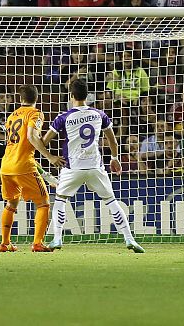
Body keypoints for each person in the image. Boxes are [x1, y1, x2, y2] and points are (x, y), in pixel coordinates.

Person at [42, 79, 144, 252]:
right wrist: (114, 157)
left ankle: (57, 239)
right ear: (87, 95)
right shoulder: (99, 114)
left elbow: (44, 141)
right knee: (112, 202)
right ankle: (130, 239)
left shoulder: (63, 117)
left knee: (60, 200)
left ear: (71, 95)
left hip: (72, 167)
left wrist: (49, 154)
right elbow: (112, 138)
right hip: (95, 166)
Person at [0, 84, 64, 253]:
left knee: (11, 203)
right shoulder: (35, 113)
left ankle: (5, 243)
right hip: (23, 166)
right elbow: (31, 136)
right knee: (43, 203)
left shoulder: (11, 116)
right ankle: (37, 243)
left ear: (20, 99)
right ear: (37, 98)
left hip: (6, 165)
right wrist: (49, 156)